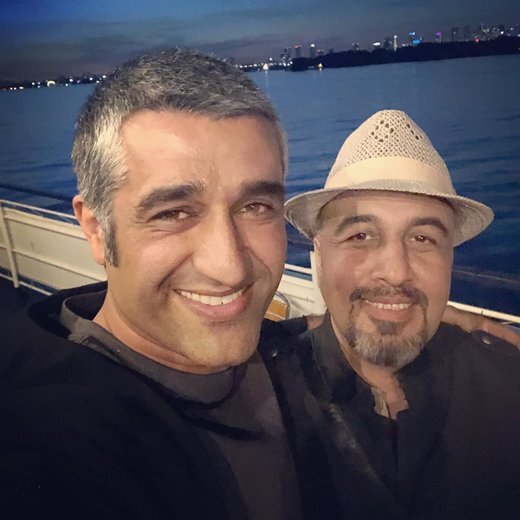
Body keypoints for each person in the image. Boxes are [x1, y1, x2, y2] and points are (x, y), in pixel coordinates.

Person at [0, 50, 515, 519]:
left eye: (255, 206)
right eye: (173, 212)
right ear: (95, 229)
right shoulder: (59, 444)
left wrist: (428, 311)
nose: (229, 267)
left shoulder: (271, 354)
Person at [283, 110, 520, 519]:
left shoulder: (508, 385)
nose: (395, 271)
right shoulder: (258, 394)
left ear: (449, 259)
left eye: (422, 238)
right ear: (319, 254)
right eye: (360, 235)